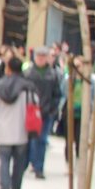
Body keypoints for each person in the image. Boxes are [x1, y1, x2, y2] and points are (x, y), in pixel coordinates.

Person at [0, 56, 34, 189]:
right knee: (19, 162)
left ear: (8, 69)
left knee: (4, 161)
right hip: (22, 131)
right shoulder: (28, 87)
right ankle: (17, 188)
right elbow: (34, 105)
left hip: (3, 131)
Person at [23, 47, 63, 180]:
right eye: (38, 56)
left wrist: (53, 109)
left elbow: (57, 94)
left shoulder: (52, 74)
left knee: (41, 140)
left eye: (43, 56)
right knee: (29, 139)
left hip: (46, 112)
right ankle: (27, 163)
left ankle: (39, 167)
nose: (40, 59)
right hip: (30, 111)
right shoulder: (28, 73)